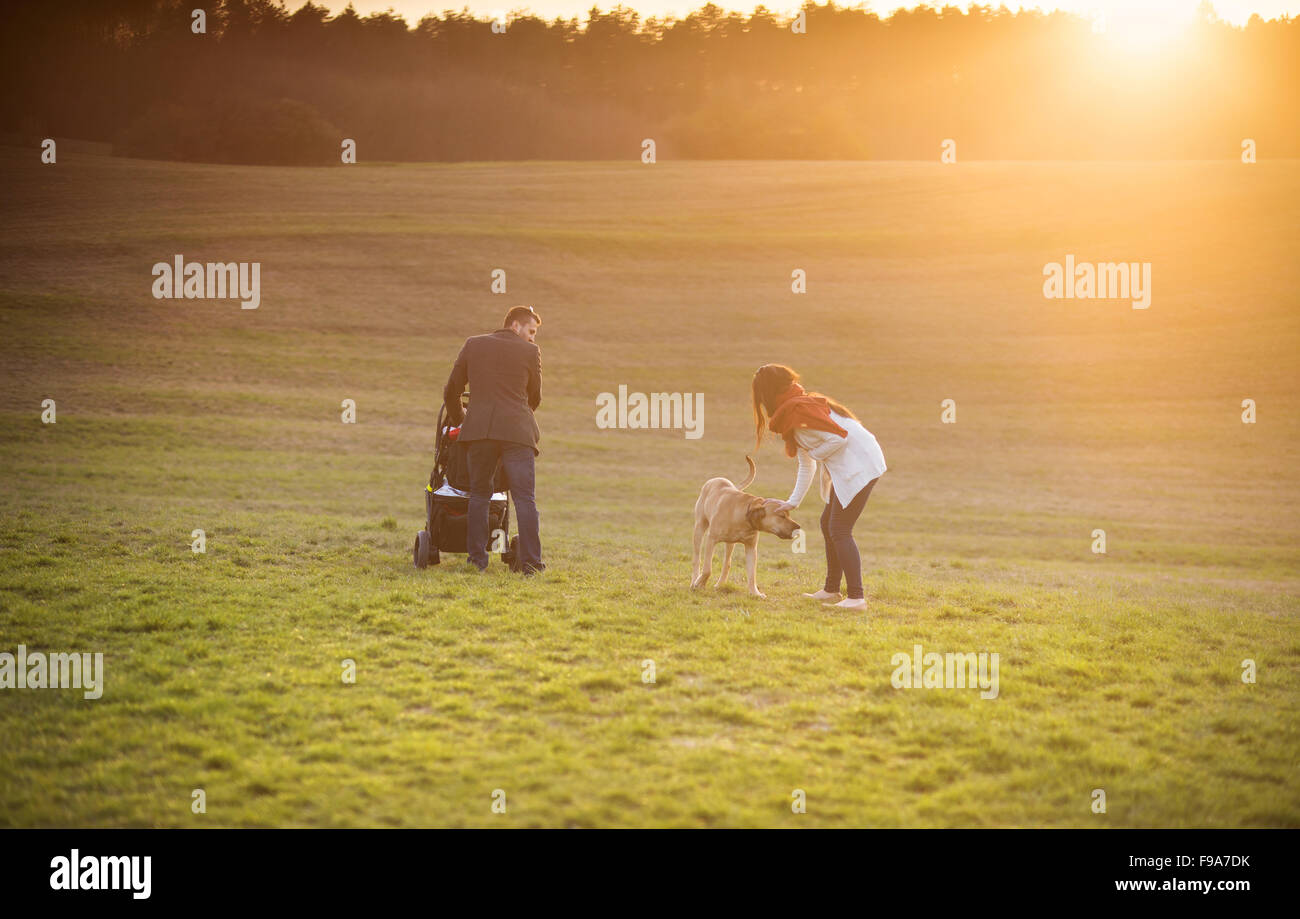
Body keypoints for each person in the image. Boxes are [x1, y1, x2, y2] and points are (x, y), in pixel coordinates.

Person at [751, 364, 886, 610]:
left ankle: (856, 598)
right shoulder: (796, 409)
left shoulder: (799, 411)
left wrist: (815, 452)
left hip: (860, 464)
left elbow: (838, 438)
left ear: (767, 394)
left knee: (840, 529)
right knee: (828, 524)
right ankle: (831, 590)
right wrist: (793, 501)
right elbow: (807, 463)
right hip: (851, 463)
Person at [443, 306, 545, 574]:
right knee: (524, 498)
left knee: (479, 494)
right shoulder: (530, 352)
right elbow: (534, 397)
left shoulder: (473, 345)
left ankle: (477, 561)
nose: (533, 338)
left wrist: (460, 419)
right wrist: (516, 417)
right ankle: (532, 564)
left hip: (480, 431)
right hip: (518, 433)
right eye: (531, 331)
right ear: (515, 326)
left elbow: (451, 390)